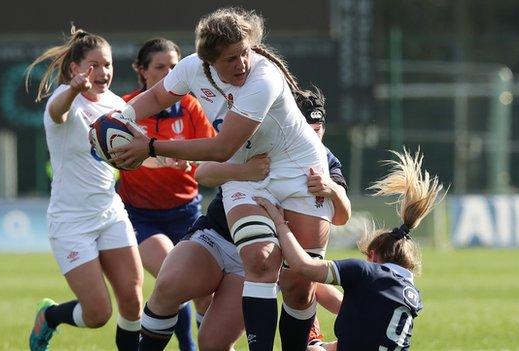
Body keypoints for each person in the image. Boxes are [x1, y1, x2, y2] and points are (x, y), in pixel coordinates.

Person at [111, 8, 335, 350]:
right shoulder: (190, 68)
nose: (243, 63)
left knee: (299, 285)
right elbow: (157, 96)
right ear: (209, 61)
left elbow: (221, 146)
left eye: (245, 52)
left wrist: (151, 147)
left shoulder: (264, 77)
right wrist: (120, 117)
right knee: (251, 264)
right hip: (247, 177)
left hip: (297, 176)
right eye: (231, 58)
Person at [133, 86, 350, 350]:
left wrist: (333, 190)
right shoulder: (256, 136)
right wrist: (243, 170)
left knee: (212, 343)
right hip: (218, 237)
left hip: (260, 261)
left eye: (318, 130)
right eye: (306, 129)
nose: (312, 137)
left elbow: (340, 217)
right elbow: (203, 174)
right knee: (169, 284)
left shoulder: (327, 163)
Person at [25, 26, 144, 351]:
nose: (103, 71)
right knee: (97, 314)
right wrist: (73, 90)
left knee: (133, 300)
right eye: (94, 64)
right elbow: (57, 111)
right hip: (71, 223)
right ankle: (49, 317)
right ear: (76, 68)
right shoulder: (65, 101)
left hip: (110, 213)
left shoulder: (116, 104)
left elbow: (132, 153)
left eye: (107, 64)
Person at [255, 148, 444, 350]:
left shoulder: (366, 272)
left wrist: (279, 223)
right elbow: (353, 315)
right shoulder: (405, 292)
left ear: (372, 255)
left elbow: (303, 266)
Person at [119, 37, 216, 351]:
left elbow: (214, 152)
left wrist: (193, 157)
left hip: (187, 212)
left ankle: (209, 343)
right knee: (173, 275)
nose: (169, 72)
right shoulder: (127, 108)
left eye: (174, 66)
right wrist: (160, 158)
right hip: (141, 216)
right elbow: (111, 154)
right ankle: (187, 344)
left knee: (205, 291)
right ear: (141, 70)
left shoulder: (190, 106)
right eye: (160, 67)